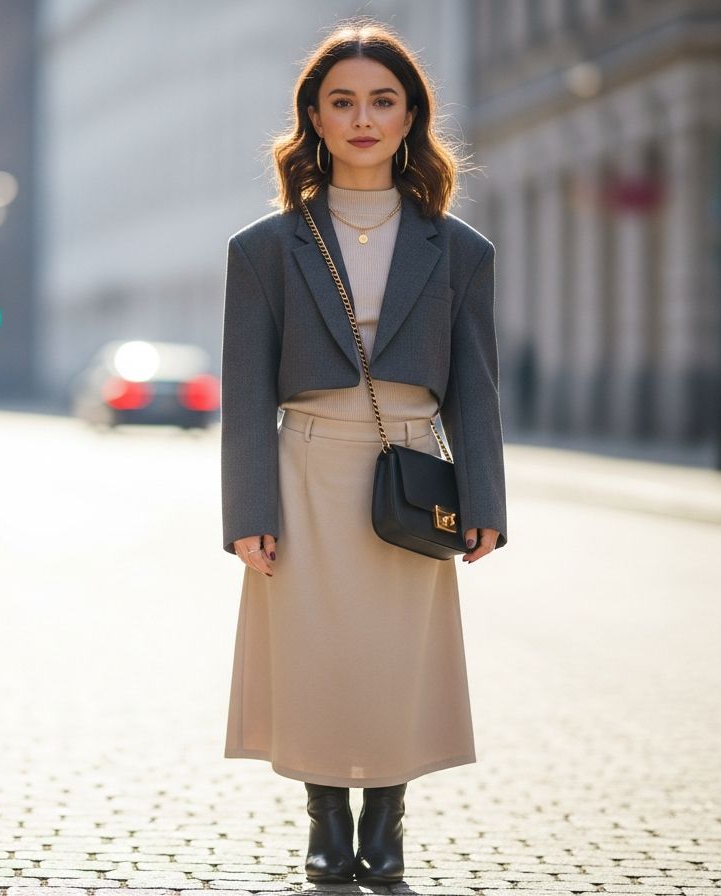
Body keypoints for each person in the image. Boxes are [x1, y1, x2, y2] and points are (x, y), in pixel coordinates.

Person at [220, 18, 508, 887]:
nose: (363, 118)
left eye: (383, 100)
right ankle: (323, 822)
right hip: (302, 469)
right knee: (314, 655)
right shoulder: (262, 249)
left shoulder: (459, 249)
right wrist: (247, 516)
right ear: (313, 114)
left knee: (393, 657)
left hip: (412, 475)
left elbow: (476, 388)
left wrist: (486, 504)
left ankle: (386, 824)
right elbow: (242, 395)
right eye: (342, 101)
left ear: (412, 115)